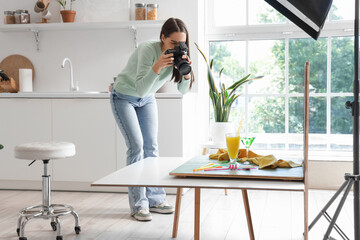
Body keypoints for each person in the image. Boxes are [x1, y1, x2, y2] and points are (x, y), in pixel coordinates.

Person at [110, 18, 194, 221]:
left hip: (147, 99)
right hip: (124, 97)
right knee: (137, 146)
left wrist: (186, 73)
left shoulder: (179, 54)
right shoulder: (148, 49)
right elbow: (140, 88)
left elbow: (183, 90)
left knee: (151, 147)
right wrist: (157, 67)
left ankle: (156, 199)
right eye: (173, 43)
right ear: (163, 38)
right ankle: (139, 204)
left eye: (181, 43)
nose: (177, 47)